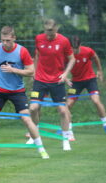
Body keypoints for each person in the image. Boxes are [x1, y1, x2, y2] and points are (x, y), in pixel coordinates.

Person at [0, 26, 49, 159]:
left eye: (7, 40)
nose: (5, 44)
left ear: (14, 38)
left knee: (26, 118)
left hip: (17, 91)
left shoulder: (22, 51)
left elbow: (31, 71)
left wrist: (14, 70)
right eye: (3, 40)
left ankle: (41, 149)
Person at [28, 19, 75, 150]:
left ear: (56, 29)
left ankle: (65, 139)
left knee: (63, 111)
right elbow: (37, 55)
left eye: (51, 31)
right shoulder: (39, 38)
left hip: (57, 81)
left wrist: (65, 74)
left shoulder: (64, 41)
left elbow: (72, 59)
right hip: (40, 80)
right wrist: (35, 72)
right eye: (46, 31)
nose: (48, 34)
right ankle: (34, 135)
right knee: (33, 108)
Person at [66, 35, 106, 134]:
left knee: (96, 101)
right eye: (72, 48)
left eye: (76, 49)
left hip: (90, 80)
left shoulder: (87, 51)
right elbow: (60, 65)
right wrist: (65, 77)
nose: (74, 51)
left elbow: (95, 57)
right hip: (76, 82)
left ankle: (105, 125)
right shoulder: (67, 54)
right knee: (67, 105)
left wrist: (99, 70)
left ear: (80, 45)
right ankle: (67, 129)